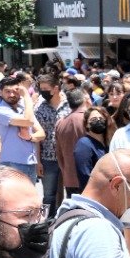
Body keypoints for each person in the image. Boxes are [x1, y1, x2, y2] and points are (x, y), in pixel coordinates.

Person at [0, 75, 45, 183]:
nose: (11, 95)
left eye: (15, 91)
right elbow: (28, 121)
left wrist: (30, 137)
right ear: (1, 92)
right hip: (12, 163)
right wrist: (26, 96)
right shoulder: (0, 111)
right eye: (7, 91)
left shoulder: (24, 110)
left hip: (29, 162)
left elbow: (41, 134)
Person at [34, 76, 72, 210]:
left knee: (72, 192)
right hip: (48, 158)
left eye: (45, 88)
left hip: (68, 157)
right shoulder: (39, 109)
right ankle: (48, 219)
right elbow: (37, 138)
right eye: (41, 89)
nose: (42, 92)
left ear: (55, 88)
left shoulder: (69, 106)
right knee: (49, 194)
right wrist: (38, 161)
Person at [55, 90, 90, 196]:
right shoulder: (88, 120)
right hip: (88, 178)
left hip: (69, 178)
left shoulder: (61, 123)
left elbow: (58, 153)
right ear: (85, 100)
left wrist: (66, 172)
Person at [74, 105, 113, 190]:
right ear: (87, 124)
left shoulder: (108, 143)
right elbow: (85, 175)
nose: (98, 121)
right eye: (94, 119)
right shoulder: (84, 144)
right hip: (95, 192)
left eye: (101, 118)